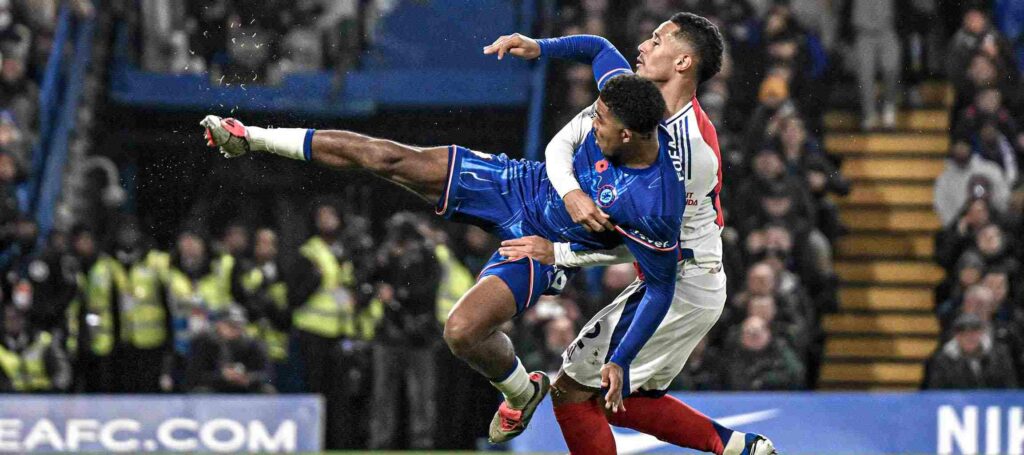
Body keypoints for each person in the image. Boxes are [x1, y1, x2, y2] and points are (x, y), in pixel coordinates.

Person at [202, 74, 685, 446]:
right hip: (519, 183)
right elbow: (564, 134)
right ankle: (253, 138)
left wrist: (559, 254)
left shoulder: (656, 202)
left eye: (601, 122)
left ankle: (520, 389)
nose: (592, 124)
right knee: (389, 159)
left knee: (461, 332)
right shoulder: (615, 103)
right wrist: (570, 190)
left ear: (627, 134)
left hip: (545, 245)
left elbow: (650, 273)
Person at [485, 13, 776, 455]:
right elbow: (598, 48)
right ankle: (740, 447)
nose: (642, 45)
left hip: (681, 279)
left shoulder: (687, 154)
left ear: (682, 62)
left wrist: (559, 253)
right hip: (672, 275)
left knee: (572, 392)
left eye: (656, 41)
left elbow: (646, 246)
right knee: (615, 398)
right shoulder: (637, 102)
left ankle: (734, 447)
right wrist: (540, 46)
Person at [185, 305, 275, 393]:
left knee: (267, 390)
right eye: (231, 324)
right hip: (215, 389)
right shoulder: (204, 343)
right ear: (219, 324)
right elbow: (193, 377)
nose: (236, 328)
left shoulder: (253, 345)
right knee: (201, 392)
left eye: (239, 324)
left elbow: (269, 376)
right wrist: (222, 375)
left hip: (245, 389)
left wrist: (249, 378)